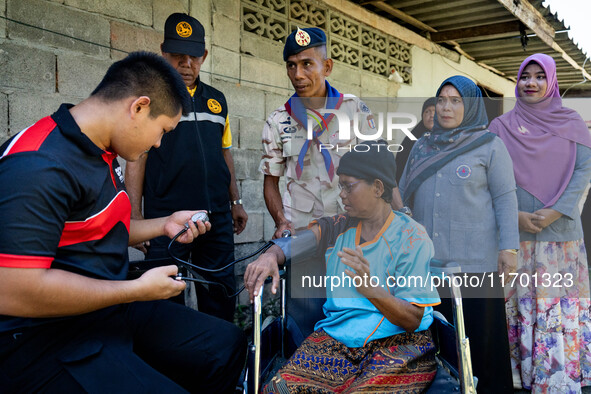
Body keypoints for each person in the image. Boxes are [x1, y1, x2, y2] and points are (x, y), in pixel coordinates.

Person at [0, 52, 246, 393]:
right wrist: (136, 289)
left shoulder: (99, 148)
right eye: (162, 131)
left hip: (107, 308)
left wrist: (164, 225)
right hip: (44, 336)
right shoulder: (37, 164)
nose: (159, 143)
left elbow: (95, 229)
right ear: (139, 107)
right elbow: (12, 291)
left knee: (225, 344)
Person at [246, 141, 440, 393]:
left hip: (399, 343)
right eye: (341, 186)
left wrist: (372, 291)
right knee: (278, 390)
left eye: (349, 186)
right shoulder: (337, 227)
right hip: (337, 339)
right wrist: (270, 255)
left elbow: (413, 319)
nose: (341, 194)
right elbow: (292, 244)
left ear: (378, 187)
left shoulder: (411, 236)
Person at [399, 75, 519, 393]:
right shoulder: (421, 146)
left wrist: (509, 249)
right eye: (441, 100)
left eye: (456, 100)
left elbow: (506, 198)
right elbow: (402, 194)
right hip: (427, 263)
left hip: (475, 263)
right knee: (431, 340)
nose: (446, 107)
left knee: (479, 339)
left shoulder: (490, 146)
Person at [125, 13, 247, 322]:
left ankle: (219, 360)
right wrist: (135, 216)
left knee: (219, 297)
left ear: (203, 56)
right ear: (163, 53)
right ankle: (171, 365)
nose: (186, 64)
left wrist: (235, 202)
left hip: (215, 217)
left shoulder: (217, 101)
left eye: (193, 56)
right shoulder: (148, 101)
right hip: (164, 219)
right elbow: (136, 157)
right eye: (178, 56)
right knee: (165, 302)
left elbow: (224, 153)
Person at [489, 53, 591, 393]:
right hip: (516, 236)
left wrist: (556, 210)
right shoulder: (500, 128)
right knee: (519, 304)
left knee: (555, 305)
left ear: (551, 82)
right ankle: (519, 374)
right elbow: (490, 177)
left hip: (560, 236)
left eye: (539, 76)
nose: (531, 82)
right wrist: (514, 214)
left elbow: (583, 172)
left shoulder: (572, 123)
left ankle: (558, 375)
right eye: (524, 76)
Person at [260, 27, 404, 240]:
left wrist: (401, 216)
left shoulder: (353, 109)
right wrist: (282, 222)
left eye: (307, 64)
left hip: (352, 227)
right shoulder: (278, 120)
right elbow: (270, 182)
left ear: (327, 67)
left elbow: (382, 168)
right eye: (291, 66)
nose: (297, 75)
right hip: (303, 232)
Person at [395, 97, 436, 183]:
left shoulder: (452, 139)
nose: (431, 115)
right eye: (427, 111)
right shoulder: (410, 141)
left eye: (435, 111)